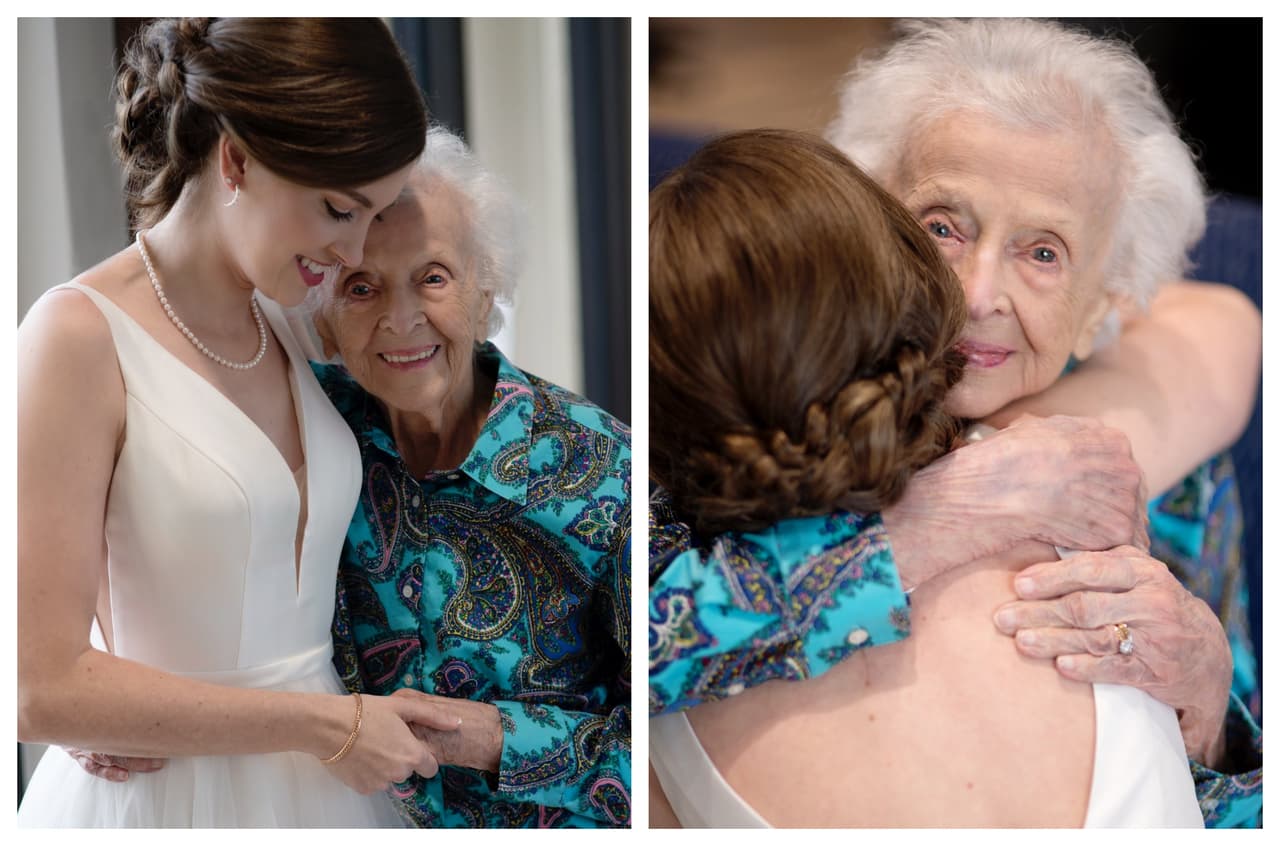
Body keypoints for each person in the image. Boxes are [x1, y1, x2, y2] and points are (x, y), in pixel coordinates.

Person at [649, 18, 1261, 827]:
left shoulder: (1167, 457)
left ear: (1104, 307)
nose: (978, 294)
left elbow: (1226, 773)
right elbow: (636, 648)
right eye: (944, 226)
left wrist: (1209, 703)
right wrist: (946, 511)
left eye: (1043, 254)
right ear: (865, 224)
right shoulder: (758, 407)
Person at [17, 18, 458, 827]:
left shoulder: (298, 325)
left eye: (373, 215)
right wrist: (324, 725)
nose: (354, 249)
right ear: (236, 159)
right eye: (336, 209)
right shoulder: (76, 336)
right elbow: (37, 686)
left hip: (330, 791)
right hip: (165, 800)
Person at [304, 127, 632, 827]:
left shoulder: (605, 471)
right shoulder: (301, 435)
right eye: (361, 286)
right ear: (326, 321)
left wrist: (498, 741)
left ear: (486, 292)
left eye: (432, 278)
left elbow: (683, 738)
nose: (399, 320)